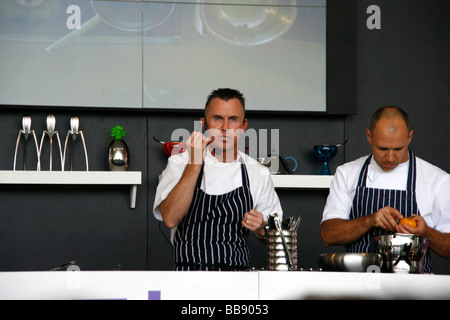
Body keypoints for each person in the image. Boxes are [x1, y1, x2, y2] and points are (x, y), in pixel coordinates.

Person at [153, 88, 283, 271]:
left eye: (233, 119)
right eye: (217, 118)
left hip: (238, 279)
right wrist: (194, 164)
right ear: (204, 124)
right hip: (188, 278)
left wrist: (262, 229)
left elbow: (276, 237)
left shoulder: (257, 172)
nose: (225, 128)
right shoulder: (179, 163)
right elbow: (170, 219)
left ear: (244, 126)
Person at [321, 106, 450, 272]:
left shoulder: (436, 179)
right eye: (382, 149)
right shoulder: (347, 173)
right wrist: (370, 220)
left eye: (398, 149)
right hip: (358, 288)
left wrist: (426, 233)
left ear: (409, 137)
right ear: (369, 136)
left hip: (415, 291)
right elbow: (328, 235)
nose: (390, 157)